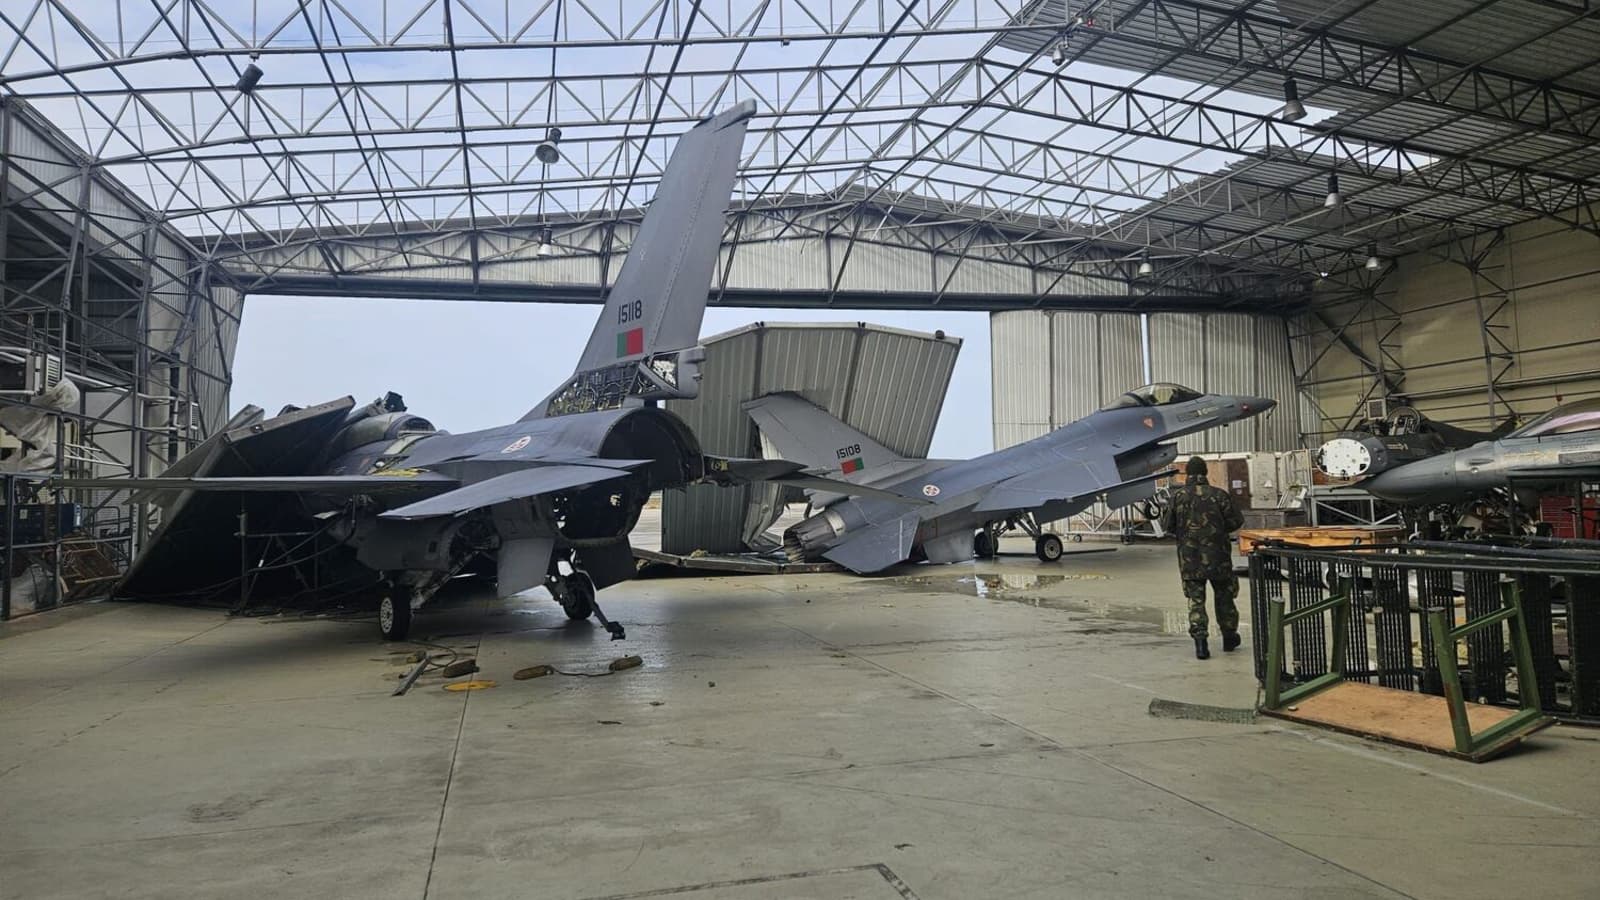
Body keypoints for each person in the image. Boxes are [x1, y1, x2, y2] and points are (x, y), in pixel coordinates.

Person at [1159, 456, 1245, 659]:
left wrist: (1186, 533)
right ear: (1205, 472)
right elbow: (1235, 522)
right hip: (1219, 557)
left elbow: (1167, 526)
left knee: (1196, 601)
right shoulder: (1219, 495)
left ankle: (1201, 645)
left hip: (1190, 560)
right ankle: (1229, 637)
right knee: (1224, 597)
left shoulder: (1178, 497)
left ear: (1188, 473)